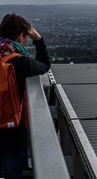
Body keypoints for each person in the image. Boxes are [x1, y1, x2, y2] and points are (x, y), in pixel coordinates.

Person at [0, 14, 50, 179]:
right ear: (21, 35)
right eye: (26, 37)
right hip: (13, 133)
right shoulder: (20, 62)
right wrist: (39, 39)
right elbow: (44, 64)